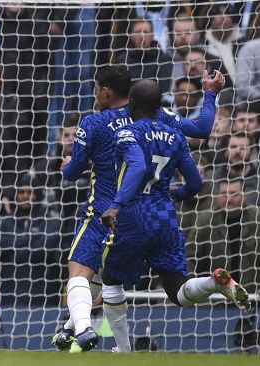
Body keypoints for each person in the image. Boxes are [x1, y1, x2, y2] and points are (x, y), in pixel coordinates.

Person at [54, 65, 224, 353]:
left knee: (81, 274)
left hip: (105, 210)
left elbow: (73, 174)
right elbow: (201, 129)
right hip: (150, 213)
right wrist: (209, 94)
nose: (96, 93)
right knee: (107, 276)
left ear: (105, 91)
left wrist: (67, 164)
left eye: (97, 88)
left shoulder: (93, 123)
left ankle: (83, 330)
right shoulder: (159, 116)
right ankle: (71, 329)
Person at [98, 79, 250, 352]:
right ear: (160, 105)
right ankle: (212, 281)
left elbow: (137, 166)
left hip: (133, 216)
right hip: (165, 219)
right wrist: (174, 195)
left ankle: (122, 349)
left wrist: (117, 204)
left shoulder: (127, 133)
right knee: (178, 292)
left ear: (131, 103)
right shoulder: (175, 136)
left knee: (110, 280)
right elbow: (194, 184)